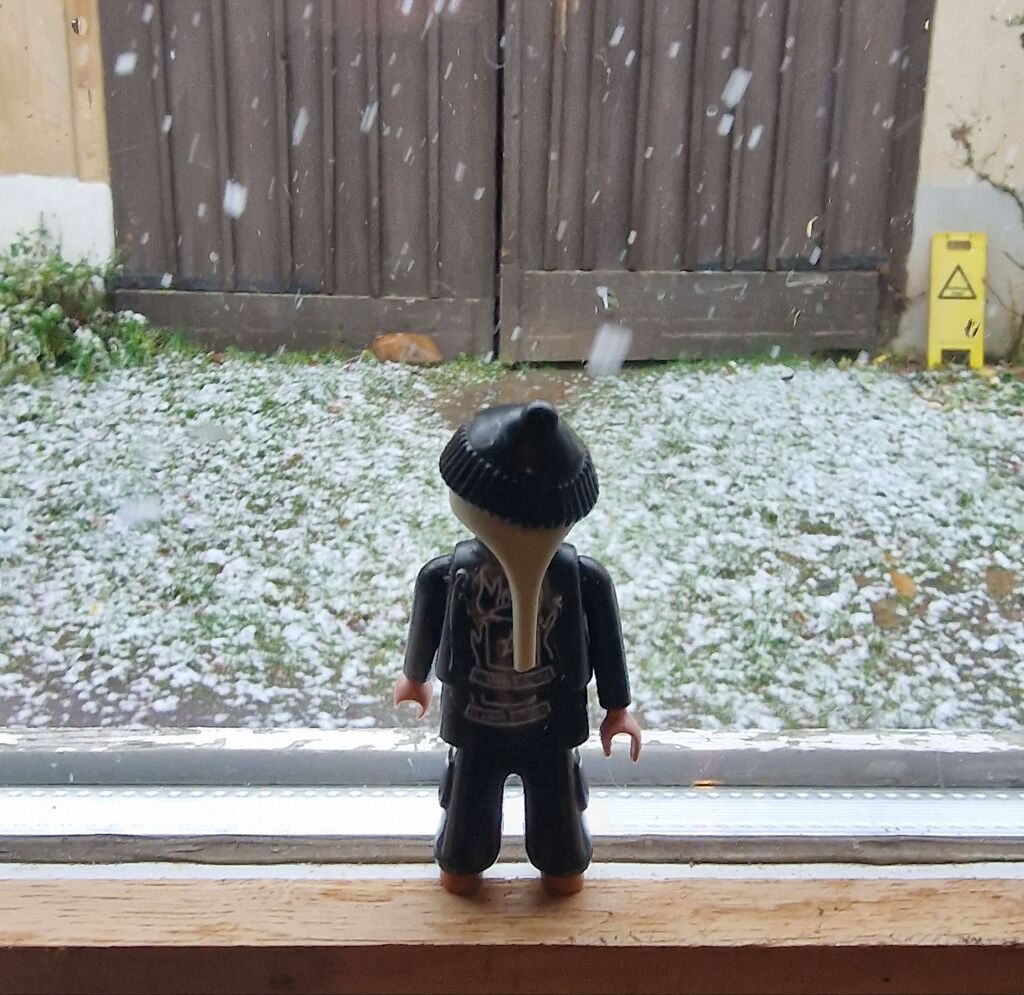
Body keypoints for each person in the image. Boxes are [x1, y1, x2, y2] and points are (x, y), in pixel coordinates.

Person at [393, 400, 641, 897]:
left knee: (558, 810)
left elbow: (606, 642)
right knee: (468, 809)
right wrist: (415, 677)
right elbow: (427, 624)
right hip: (478, 716)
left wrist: (617, 707)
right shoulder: (448, 577)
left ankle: (561, 866)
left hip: (549, 720)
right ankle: (462, 865)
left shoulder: (581, 580)